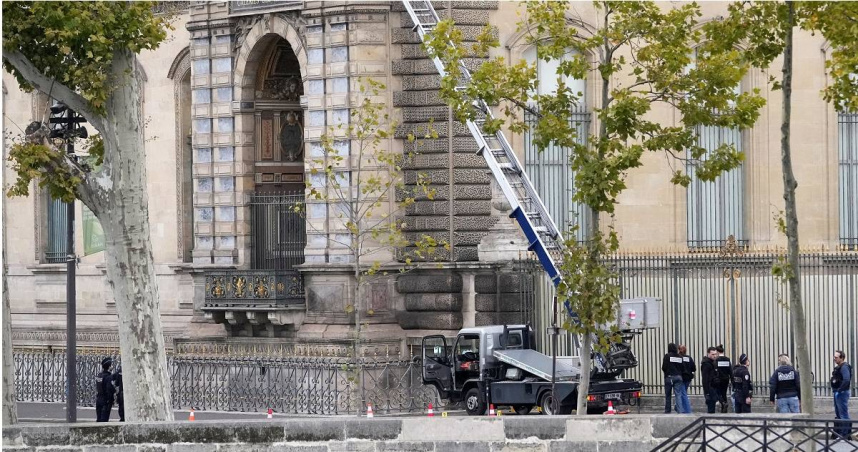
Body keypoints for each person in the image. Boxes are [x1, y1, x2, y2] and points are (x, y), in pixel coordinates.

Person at [663, 343, 691, 413]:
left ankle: (667, 411)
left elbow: (664, 367)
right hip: (678, 377)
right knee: (678, 394)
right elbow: (683, 368)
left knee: (668, 395)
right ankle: (680, 411)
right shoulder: (679, 357)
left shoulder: (667, 356)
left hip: (669, 377)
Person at [831, 350, 852, 441]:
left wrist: (840, 390)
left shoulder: (844, 367)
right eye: (834, 357)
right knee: (839, 414)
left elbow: (846, 380)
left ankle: (844, 435)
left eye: (836, 357)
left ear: (842, 358)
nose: (834, 359)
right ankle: (841, 434)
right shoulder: (840, 367)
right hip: (838, 392)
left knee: (843, 414)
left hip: (841, 393)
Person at [95, 357, 114, 422]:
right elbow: (109, 389)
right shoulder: (108, 377)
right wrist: (110, 399)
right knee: (104, 420)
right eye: (111, 365)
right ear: (109, 366)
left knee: (99, 419)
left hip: (99, 399)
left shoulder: (99, 375)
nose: (112, 366)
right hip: (105, 401)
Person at [715, 344, 733, 413]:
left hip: (718, 379)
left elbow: (715, 369)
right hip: (726, 379)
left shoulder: (717, 360)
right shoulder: (727, 359)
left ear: (717, 352)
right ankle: (724, 410)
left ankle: (723, 403)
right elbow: (730, 370)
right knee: (724, 393)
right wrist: (732, 379)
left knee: (717, 393)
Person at [701, 346, 719, 414]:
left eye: (715, 354)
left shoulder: (713, 362)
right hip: (709, 388)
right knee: (711, 408)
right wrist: (707, 392)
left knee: (712, 406)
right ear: (708, 354)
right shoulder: (706, 364)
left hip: (714, 387)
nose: (714, 356)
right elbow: (705, 379)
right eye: (713, 354)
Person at [678, 345, 695, 413]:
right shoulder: (689, 358)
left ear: (679, 350)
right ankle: (679, 407)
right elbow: (694, 368)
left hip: (681, 377)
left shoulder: (678, 358)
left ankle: (687, 410)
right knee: (683, 392)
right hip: (688, 378)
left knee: (683, 394)